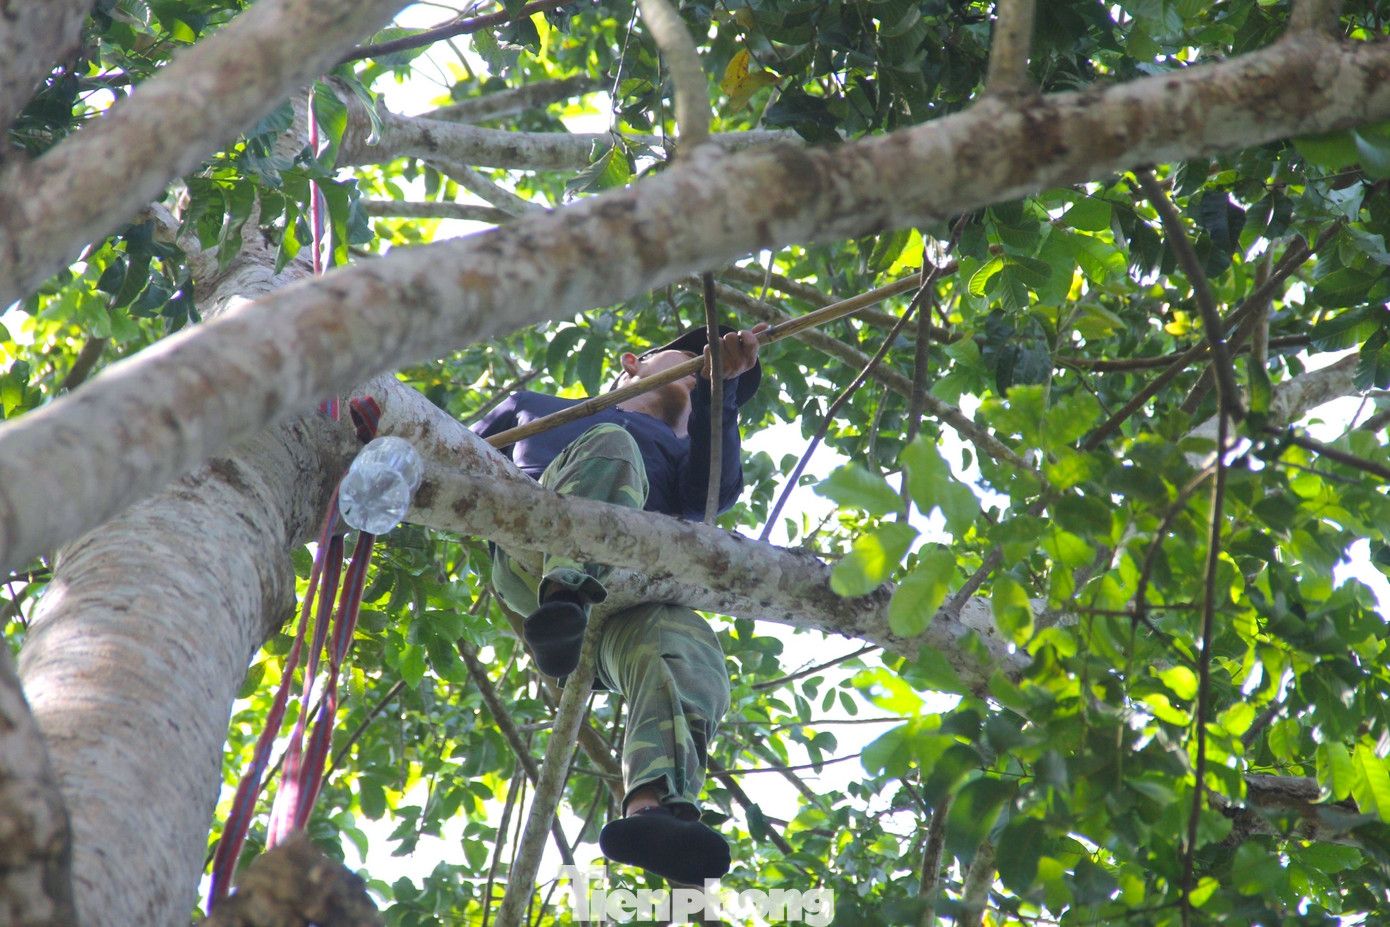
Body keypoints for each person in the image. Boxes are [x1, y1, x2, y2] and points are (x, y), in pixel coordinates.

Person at [470, 322, 768, 886]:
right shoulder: (535, 408)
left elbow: (715, 496)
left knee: (687, 645)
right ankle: (562, 597)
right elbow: (439, 450)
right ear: (634, 362)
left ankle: (654, 811)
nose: (701, 363)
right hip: (533, 553)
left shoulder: (689, 457)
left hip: (621, 600)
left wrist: (720, 389)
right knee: (615, 444)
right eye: (690, 355)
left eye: (709, 365)